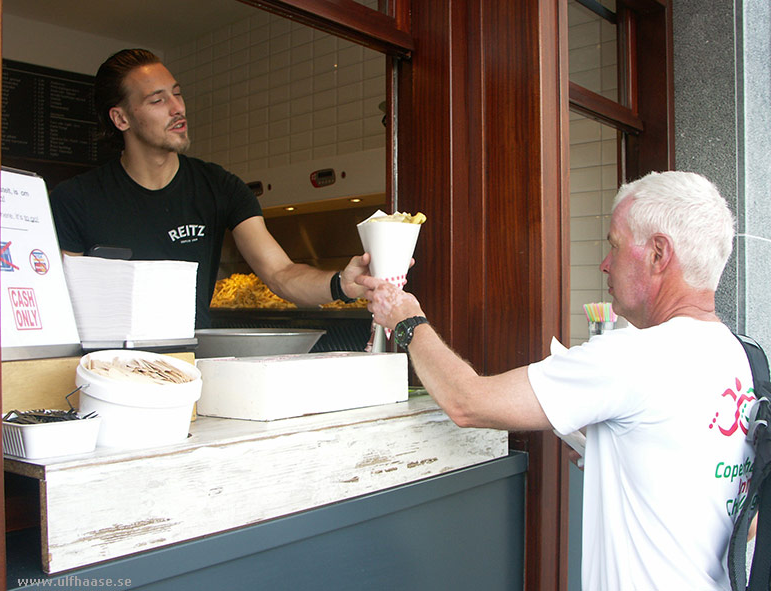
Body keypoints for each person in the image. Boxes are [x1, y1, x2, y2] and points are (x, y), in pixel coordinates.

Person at [358, 171, 756, 590]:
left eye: (614, 245)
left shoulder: (632, 356)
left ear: (659, 254)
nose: (605, 263)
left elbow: (467, 402)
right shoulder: (742, 358)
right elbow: (745, 521)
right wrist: (617, 454)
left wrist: (406, 318)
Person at [50, 48, 368, 328]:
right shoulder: (75, 200)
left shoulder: (219, 187)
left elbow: (281, 274)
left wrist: (341, 283)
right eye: (158, 100)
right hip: (108, 374)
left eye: (177, 94)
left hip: (189, 371)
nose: (178, 108)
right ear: (121, 119)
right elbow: (59, 305)